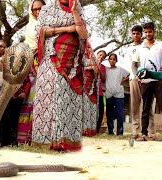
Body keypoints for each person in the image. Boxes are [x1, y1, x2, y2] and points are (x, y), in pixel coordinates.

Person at [32, 0, 92, 152]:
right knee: (53, 97)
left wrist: (74, 13)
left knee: (68, 101)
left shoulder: (77, 8)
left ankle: (66, 141)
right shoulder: (47, 9)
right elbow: (39, 32)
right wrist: (67, 29)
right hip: (51, 59)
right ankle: (48, 141)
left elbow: (83, 35)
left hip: (73, 64)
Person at [132, 22, 162, 142]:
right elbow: (134, 64)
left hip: (159, 80)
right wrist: (137, 75)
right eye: (146, 32)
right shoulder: (140, 48)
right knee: (145, 108)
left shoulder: (161, 45)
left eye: (150, 31)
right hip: (146, 81)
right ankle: (144, 134)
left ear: (154, 32)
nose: (148, 34)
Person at [17, 0, 45, 145]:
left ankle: (41, 137)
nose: (38, 11)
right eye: (35, 9)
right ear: (31, 10)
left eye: (41, 8)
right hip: (31, 65)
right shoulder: (29, 27)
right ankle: (25, 137)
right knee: (30, 98)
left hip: (48, 65)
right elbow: (28, 46)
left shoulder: (51, 24)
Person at [127, 25, 159, 140]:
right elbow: (132, 65)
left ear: (142, 34)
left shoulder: (146, 46)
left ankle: (151, 132)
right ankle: (135, 131)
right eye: (133, 33)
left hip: (147, 80)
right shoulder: (129, 49)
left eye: (138, 33)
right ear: (131, 35)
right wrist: (136, 77)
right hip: (134, 79)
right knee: (135, 106)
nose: (136, 35)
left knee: (148, 105)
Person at [105, 53, 129, 135]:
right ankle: (110, 131)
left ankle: (120, 132)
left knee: (119, 113)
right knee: (109, 114)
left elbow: (129, 74)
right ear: (108, 60)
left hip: (119, 94)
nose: (112, 61)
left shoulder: (120, 70)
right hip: (109, 94)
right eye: (110, 59)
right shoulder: (106, 70)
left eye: (114, 59)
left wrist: (122, 81)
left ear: (116, 61)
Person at [95, 50, 107, 133]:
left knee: (101, 111)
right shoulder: (89, 62)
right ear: (96, 55)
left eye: (103, 57)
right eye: (100, 55)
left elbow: (103, 79)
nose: (101, 57)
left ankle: (97, 129)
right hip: (90, 91)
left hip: (99, 92)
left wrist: (99, 66)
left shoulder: (103, 67)